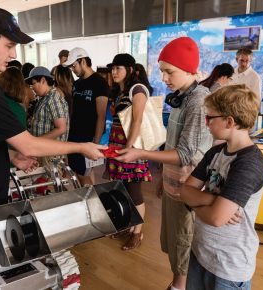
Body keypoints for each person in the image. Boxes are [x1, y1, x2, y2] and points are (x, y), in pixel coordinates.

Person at [0, 7, 104, 290]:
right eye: (9, 45)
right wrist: (82, 146)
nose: (13, 54)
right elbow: (27, 142)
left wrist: (11, 156)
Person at [115, 37, 213, 290]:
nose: (164, 78)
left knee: (183, 242)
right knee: (173, 240)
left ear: (190, 69)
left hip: (189, 188)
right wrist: (162, 177)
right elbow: (173, 146)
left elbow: (186, 153)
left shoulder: (199, 100)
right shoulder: (181, 96)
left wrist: (141, 154)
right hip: (173, 183)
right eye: (162, 72)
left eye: (170, 72)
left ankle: (178, 286)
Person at [172, 85, 263, 290]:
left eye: (210, 118)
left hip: (229, 265)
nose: (206, 123)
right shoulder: (215, 152)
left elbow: (217, 218)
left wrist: (197, 199)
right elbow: (185, 191)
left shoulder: (249, 164)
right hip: (201, 252)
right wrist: (211, 199)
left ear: (230, 121)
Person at [106, 53, 152, 250]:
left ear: (130, 70)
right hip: (118, 144)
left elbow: (138, 120)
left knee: (135, 192)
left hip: (130, 147)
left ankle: (137, 233)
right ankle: (128, 224)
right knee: (122, 189)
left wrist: (128, 147)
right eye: (113, 68)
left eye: (119, 68)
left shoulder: (137, 89)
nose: (114, 72)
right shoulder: (118, 91)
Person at [63, 47, 109, 186]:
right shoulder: (77, 84)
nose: (72, 69)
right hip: (74, 136)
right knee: (78, 173)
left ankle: (92, 203)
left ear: (83, 61)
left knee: (84, 175)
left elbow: (101, 116)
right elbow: (74, 111)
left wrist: (96, 142)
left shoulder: (99, 83)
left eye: (74, 65)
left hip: (88, 138)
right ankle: (89, 200)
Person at [25, 66, 70, 165]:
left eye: (33, 84)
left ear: (43, 80)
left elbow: (61, 128)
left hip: (50, 154)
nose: (32, 88)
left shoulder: (53, 99)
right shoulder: (45, 98)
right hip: (43, 151)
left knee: (49, 179)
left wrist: (37, 141)